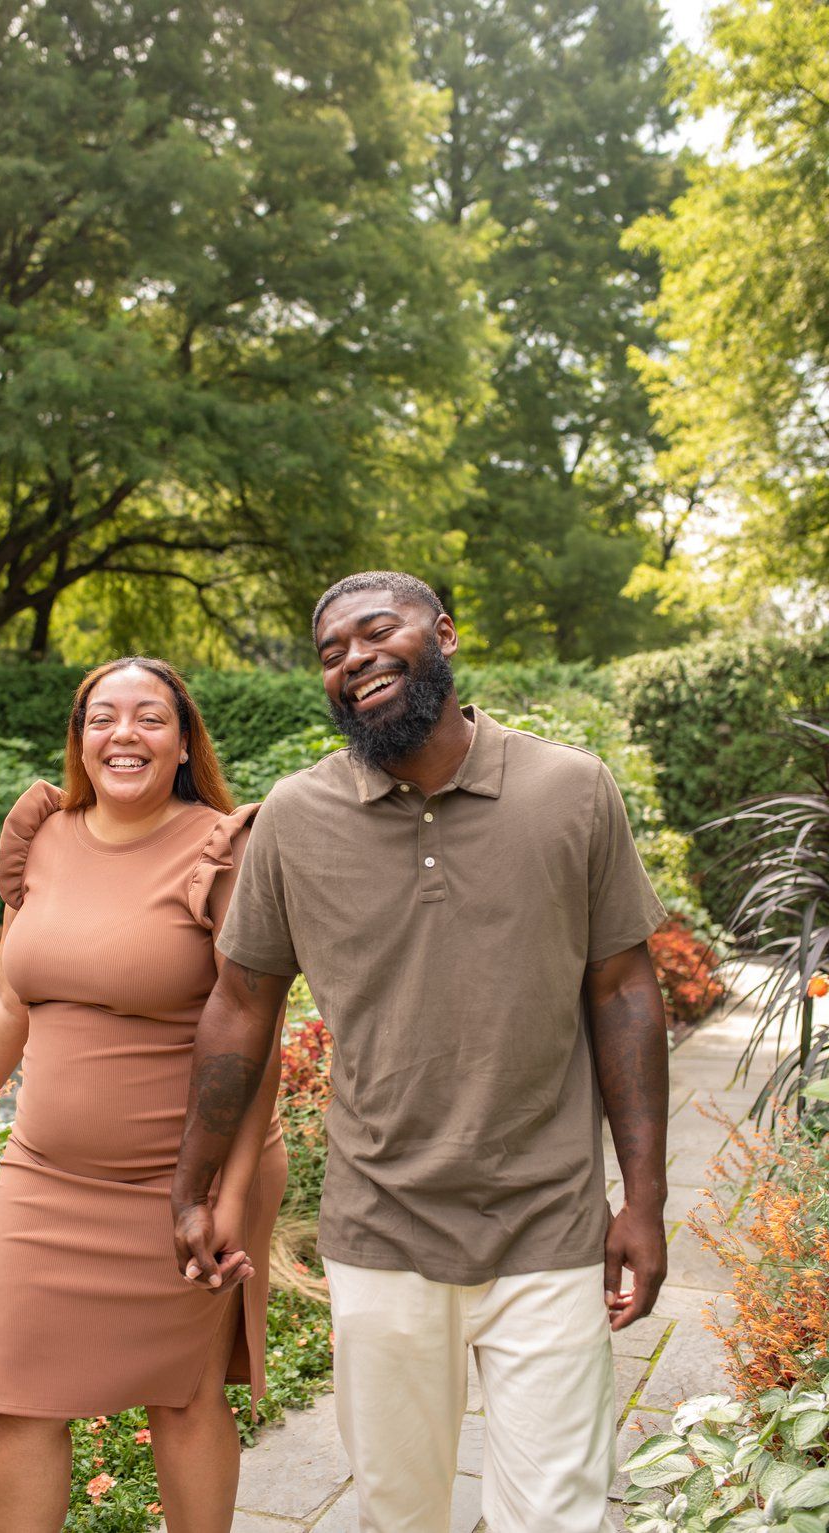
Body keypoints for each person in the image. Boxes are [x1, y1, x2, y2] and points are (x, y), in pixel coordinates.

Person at [172, 572, 669, 1533]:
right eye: (331, 652)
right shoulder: (296, 816)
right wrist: (191, 1186)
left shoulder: (570, 789)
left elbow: (623, 990)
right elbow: (240, 1005)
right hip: (381, 1228)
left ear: (442, 633)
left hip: (548, 1223)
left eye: (376, 631)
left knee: (557, 1516)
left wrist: (643, 1200)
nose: (354, 659)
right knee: (398, 1512)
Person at [0, 657, 287, 1533]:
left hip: (183, 1186)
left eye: (150, 718)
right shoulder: (43, 835)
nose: (124, 734)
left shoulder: (224, 849)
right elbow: (10, 998)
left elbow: (258, 1037)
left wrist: (227, 1195)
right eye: (103, 717)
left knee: (186, 1399)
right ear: (81, 738)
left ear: (183, 742)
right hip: (44, 1180)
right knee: (19, 1402)